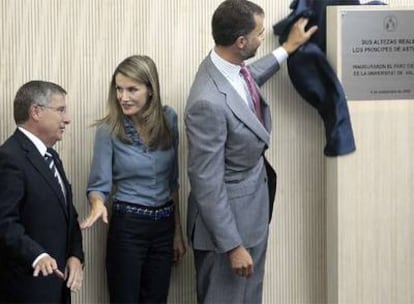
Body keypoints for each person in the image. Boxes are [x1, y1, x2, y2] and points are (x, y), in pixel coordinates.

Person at [184, 0, 317, 303]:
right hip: (226, 230)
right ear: (241, 42)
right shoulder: (207, 102)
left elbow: (249, 79)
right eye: (258, 35)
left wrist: (288, 49)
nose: (262, 38)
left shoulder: (227, 67)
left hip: (251, 212)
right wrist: (232, 246)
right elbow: (207, 181)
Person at [81, 55, 186, 303]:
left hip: (164, 226)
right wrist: (97, 204)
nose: (123, 97)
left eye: (132, 89)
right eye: (119, 89)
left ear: (150, 90)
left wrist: (177, 233)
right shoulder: (108, 130)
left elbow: (172, 182)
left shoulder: (168, 119)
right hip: (129, 227)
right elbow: (99, 185)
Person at [0, 80, 84, 303]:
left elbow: (69, 214)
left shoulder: (51, 157)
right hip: (26, 289)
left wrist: (76, 256)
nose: (67, 119)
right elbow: (4, 222)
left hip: (57, 286)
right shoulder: (9, 157)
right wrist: (37, 255)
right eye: (61, 110)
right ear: (36, 111)